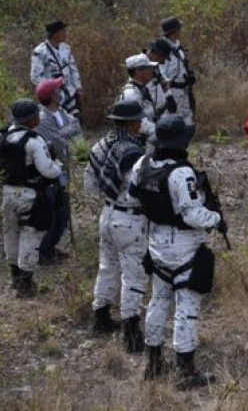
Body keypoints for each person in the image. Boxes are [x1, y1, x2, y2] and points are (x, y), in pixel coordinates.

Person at [129, 116, 225, 388]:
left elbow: (133, 193)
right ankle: (186, 370)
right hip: (183, 244)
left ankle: (154, 362)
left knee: (159, 300)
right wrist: (216, 219)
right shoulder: (181, 173)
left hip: (156, 240)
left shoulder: (143, 163)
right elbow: (193, 214)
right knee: (187, 305)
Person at [84, 100, 147, 350]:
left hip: (107, 214)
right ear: (131, 124)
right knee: (133, 276)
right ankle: (131, 333)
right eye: (138, 120)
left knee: (107, 267)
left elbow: (89, 183)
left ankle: (100, 317)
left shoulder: (102, 144)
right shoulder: (131, 152)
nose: (141, 123)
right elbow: (136, 190)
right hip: (129, 218)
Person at [1, 99, 63, 298]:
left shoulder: (3, 137)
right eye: (36, 115)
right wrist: (59, 166)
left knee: (11, 234)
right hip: (30, 194)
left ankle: (15, 279)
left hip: (8, 192)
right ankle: (26, 283)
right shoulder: (34, 141)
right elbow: (47, 170)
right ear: (30, 119)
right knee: (31, 234)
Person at [35, 77, 81, 265]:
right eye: (57, 90)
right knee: (53, 212)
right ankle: (44, 253)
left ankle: (52, 246)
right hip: (52, 171)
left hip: (65, 167)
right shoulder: (43, 118)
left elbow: (77, 128)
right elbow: (57, 141)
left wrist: (65, 132)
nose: (61, 92)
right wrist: (67, 131)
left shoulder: (62, 113)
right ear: (52, 96)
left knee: (63, 211)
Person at [30, 20, 83, 118]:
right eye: (63, 31)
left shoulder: (66, 49)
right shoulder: (40, 52)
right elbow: (35, 77)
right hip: (54, 99)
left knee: (76, 123)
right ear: (55, 34)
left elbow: (73, 69)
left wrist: (78, 88)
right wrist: (50, 89)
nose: (65, 34)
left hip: (71, 94)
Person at [160, 17, 197, 140]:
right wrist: (168, 96)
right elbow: (162, 75)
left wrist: (189, 77)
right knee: (171, 124)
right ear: (173, 31)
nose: (181, 31)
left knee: (188, 123)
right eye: (179, 29)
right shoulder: (163, 50)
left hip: (184, 92)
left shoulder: (179, 48)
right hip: (172, 93)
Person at [117, 53, 163, 144]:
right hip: (136, 143)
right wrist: (162, 131)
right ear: (138, 71)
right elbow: (138, 124)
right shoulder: (130, 94)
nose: (152, 71)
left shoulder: (142, 89)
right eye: (149, 68)